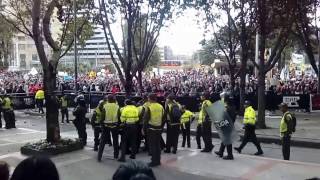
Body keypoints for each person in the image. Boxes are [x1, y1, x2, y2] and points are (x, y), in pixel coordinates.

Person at [143, 93, 164, 167]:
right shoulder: (161, 106)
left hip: (151, 128)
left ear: (150, 98)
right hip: (159, 128)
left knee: (153, 145)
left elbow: (146, 119)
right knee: (157, 145)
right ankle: (158, 160)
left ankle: (154, 161)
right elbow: (163, 118)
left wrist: (143, 129)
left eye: (148, 98)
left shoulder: (149, 107)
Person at [98, 94, 120, 162]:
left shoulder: (105, 106)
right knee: (115, 141)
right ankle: (116, 155)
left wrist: (102, 125)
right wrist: (118, 125)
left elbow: (102, 118)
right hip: (115, 125)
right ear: (114, 99)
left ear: (108, 99)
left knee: (102, 142)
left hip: (106, 126)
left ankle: (99, 157)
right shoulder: (117, 106)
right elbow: (119, 117)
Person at [215, 95, 236, 160]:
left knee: (227, 140)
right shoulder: (231, 107)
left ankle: (230, 155)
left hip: (227, 125)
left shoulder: (229, 108)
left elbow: (227, 118)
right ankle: (221, 152)